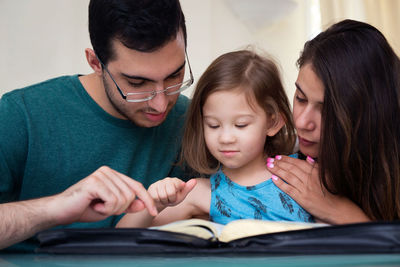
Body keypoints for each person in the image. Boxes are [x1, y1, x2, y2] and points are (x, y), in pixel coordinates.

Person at [0, 0, 193, 251]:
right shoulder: (20, 115)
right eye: (137, 83)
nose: (160, 103)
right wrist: (57, 207)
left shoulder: (193, 121)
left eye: (174, 76)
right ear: (95, 62)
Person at [116, 49, 313, 228]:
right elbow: (122, 235)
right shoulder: (201, 192)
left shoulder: (304, 174)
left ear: (273, 123)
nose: (225, 138)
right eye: (213, 125)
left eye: (241, 125)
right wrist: (156, 201)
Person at [267, 19, 400, 224]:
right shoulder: (281, 155)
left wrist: (338, 210)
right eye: (300, 99)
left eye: (326, 110)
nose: (302, 123)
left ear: (369, 114)